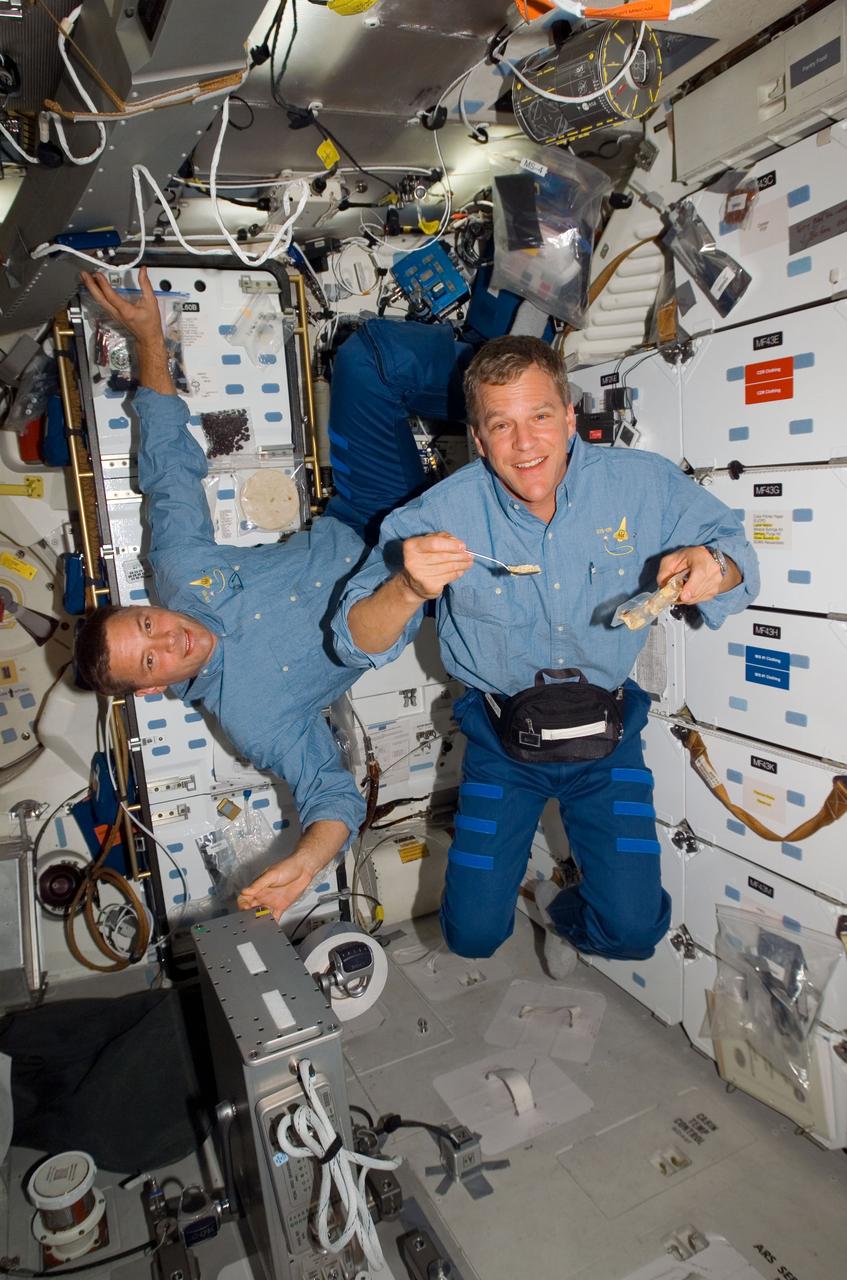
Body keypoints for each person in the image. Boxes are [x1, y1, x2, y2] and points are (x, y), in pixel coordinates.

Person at [332, 335, 760, 973]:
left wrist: (713, 567)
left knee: (633, 931)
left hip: (607, 738)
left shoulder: (643, 486)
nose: (525, 443)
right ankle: (521, 892)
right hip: (501, 745)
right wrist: (407, 588)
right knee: (472, 935)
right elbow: (355, 638)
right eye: (500, 425)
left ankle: (559, 908)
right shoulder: (437, 514)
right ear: (478, 439)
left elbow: (739, 558)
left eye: (539, 416)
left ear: (569, 416)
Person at [74, 267, 468, 920]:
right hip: (416, 583)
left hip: (366, 511)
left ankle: (499, 380)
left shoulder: (178, 571)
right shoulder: (252, 721)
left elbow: (169, 466)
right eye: (150, 659)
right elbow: (330, 794)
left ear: (146, 604)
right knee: (511, 515)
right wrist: (307, 862)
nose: (169, 638)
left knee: (366, 356)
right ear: (152, 688)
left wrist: (148, 338)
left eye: (146, 624)